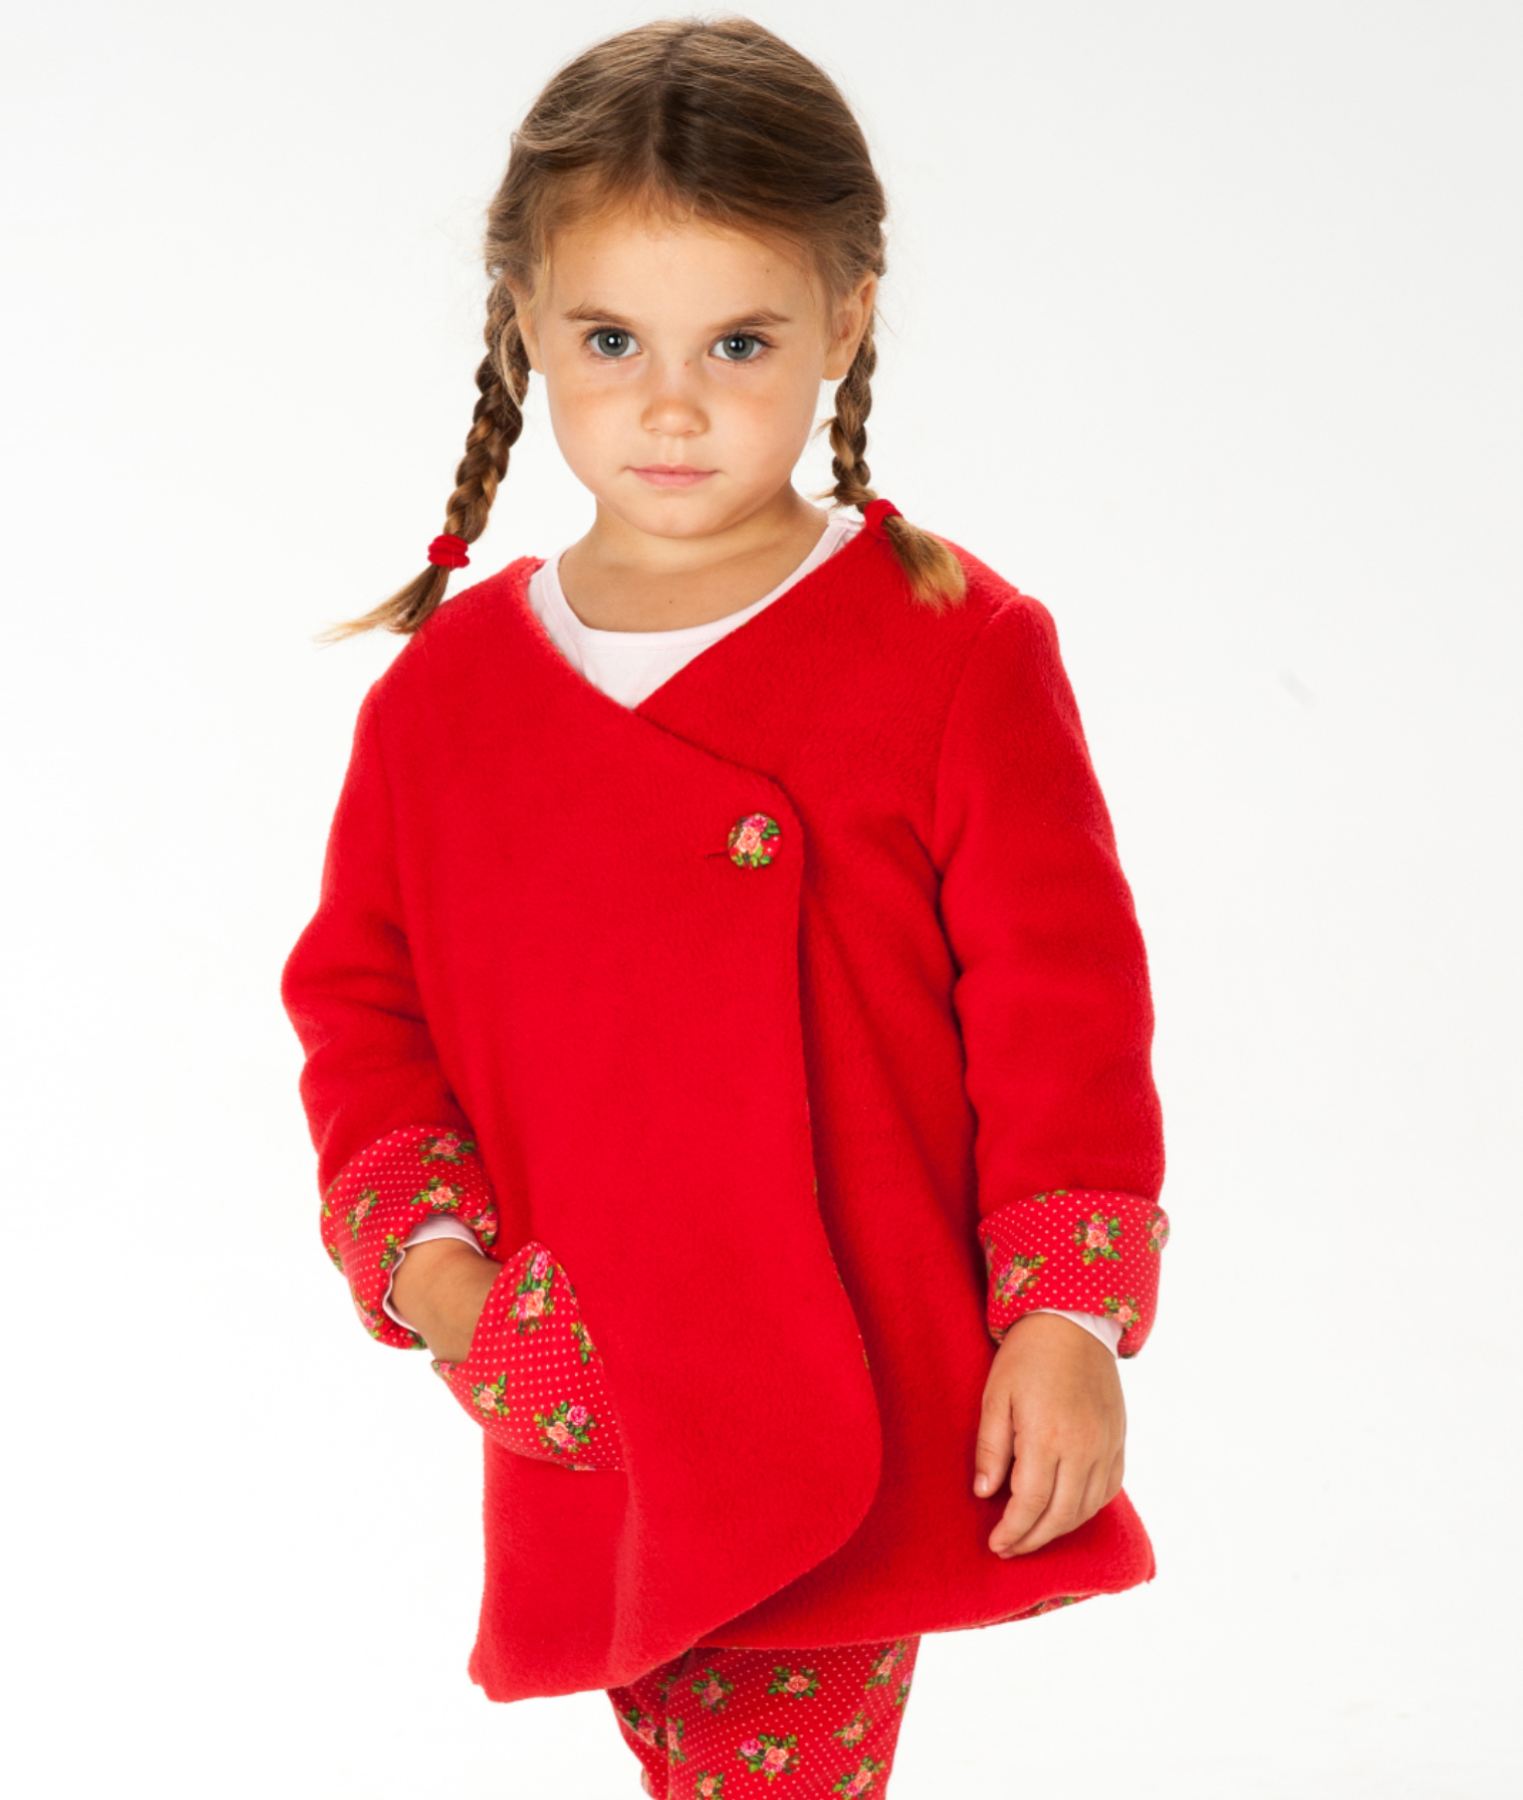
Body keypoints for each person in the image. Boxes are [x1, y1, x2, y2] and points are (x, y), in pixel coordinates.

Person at [281, 18, 1168, 1797]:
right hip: (587, 1374)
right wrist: (454, 1294)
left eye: (739, 343)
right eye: (612, 340)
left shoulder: (953, 645)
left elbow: (1062, 1006)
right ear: (526, 322)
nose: (671, 406)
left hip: (865, 1377)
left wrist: (1066, 1318)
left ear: (846, 320)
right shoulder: (447, 698)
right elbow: (365, 1010)